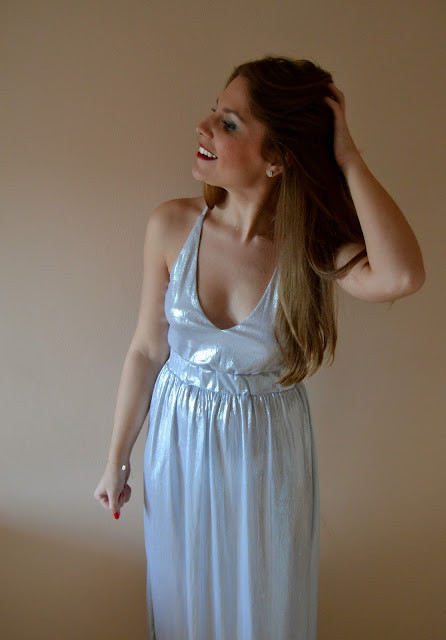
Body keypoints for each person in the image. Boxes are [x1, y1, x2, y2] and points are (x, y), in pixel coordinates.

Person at [94, 56, 425, 639]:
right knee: (182, 601)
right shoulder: (171, 226)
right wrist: (117, 458)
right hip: (179, 446)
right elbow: (147, 350)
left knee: (262, 605)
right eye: (214, 112)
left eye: (229, 123)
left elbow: (401, 275)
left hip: (266, 454)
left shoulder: (310, 248)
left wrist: (347, 156)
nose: (203, 127)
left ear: (278, 158)